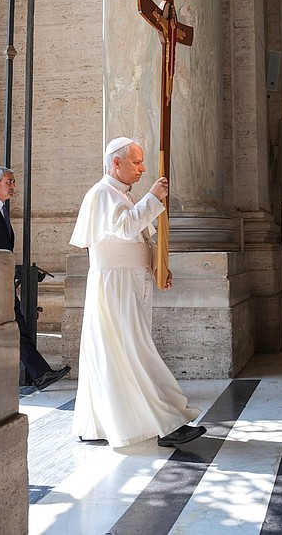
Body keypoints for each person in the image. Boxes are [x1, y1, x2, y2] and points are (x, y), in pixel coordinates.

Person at [69, 137, 205, 447]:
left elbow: (141, 239)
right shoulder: (101, 194)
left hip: (130, 280)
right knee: (132, 350)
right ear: (116, 163)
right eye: (136, 162)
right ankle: (168, 424)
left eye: (142, 162)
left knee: (119, 353)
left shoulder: (122, 194)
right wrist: (153, 197)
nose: (142, 168)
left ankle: (100, 424)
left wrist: (159, 265)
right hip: (115, 285)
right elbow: (127, 228)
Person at [0, 166, 70, 391]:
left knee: (16, 326)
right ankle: (38, 374)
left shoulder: (0, 210)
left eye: (13, 182)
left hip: (1, 281)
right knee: (11, 327)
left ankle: (40, 374)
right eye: (9, 182)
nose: (13, 186)